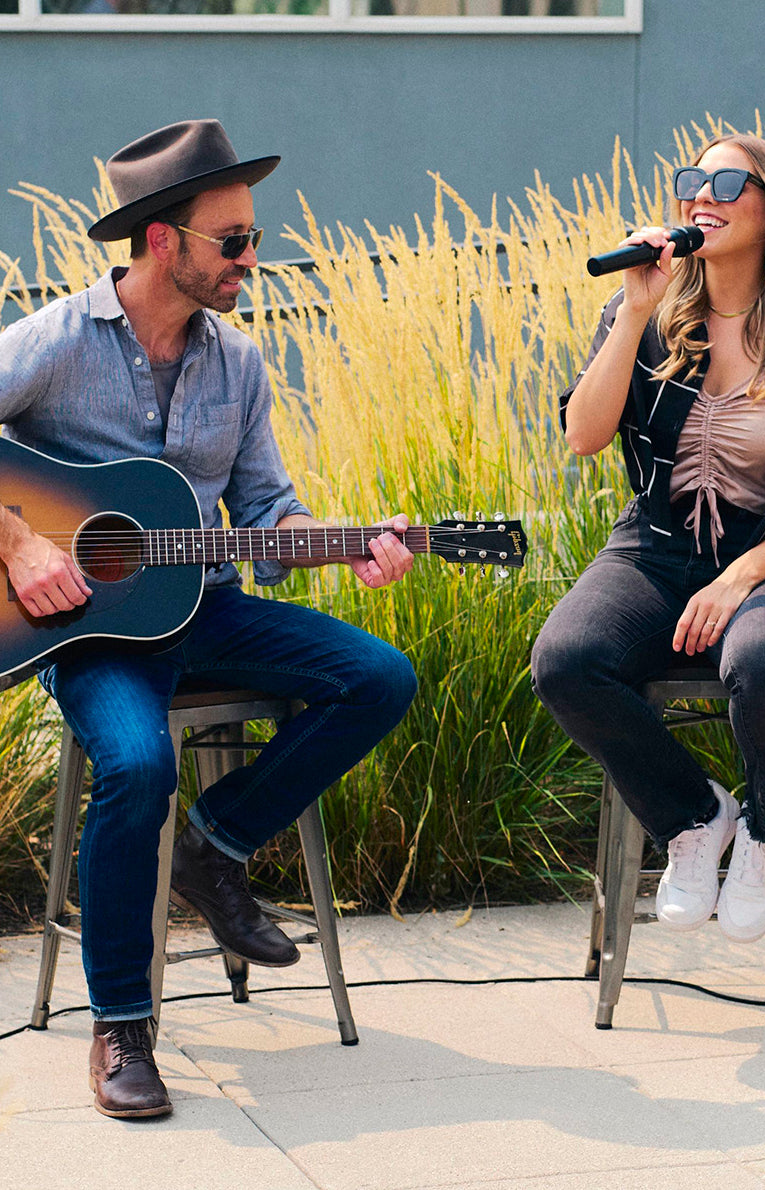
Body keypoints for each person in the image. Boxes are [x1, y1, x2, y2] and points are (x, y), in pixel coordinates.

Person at [0, 120, 418, 1118]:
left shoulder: (239, 364)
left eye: (253, 239)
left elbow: (267, 513)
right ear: (161, 241)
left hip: (205, 604)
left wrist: (343, 541)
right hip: (89, 628)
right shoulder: (58, 341)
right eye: (231, 240)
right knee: (139, 763)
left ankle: (216, 844)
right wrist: (20, 543)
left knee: (380, 676)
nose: (249, 259)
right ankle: (122, 1025)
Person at [532, 134, 765, 949]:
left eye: (731, 182)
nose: (705, 195)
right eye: (693, 180)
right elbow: (584, 436)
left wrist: (739, 579)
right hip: (653, 549)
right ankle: (696, 816)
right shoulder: (648, 319)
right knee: (565, 662)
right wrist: (631, 310)